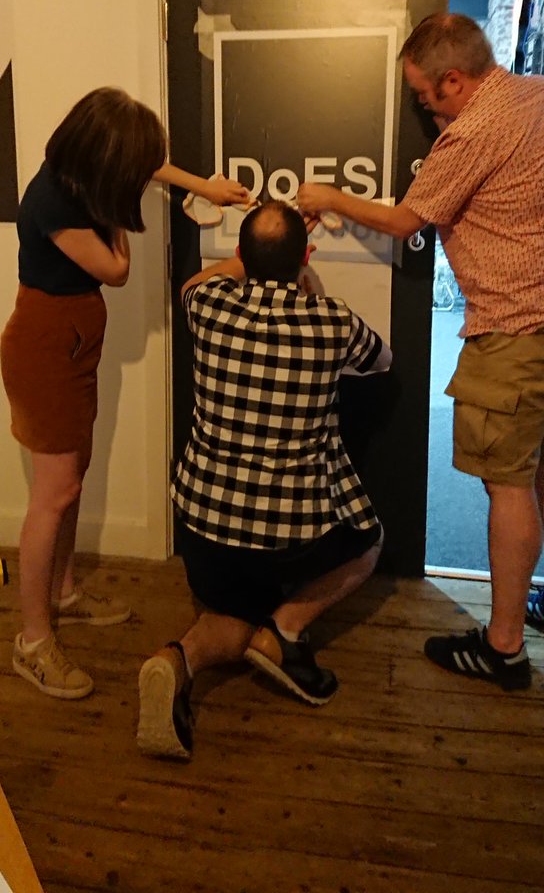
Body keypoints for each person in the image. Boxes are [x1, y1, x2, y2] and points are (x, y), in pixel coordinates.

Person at [298, 13, 544, 691]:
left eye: (424, 96)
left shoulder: (472, 134)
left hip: (516, 330)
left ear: (454, 80)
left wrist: (328, 196)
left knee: (507, 483)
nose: (423, 110)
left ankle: (503, 648)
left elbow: (405, 219)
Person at [0, 86, 248, 699]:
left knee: (72, 479)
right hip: (46, 345)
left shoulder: (78, 168)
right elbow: (116, 270)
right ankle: (32, 641)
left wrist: (205, 186)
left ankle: (64, 593)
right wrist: (118, 206)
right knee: (53, 496)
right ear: (103, 160)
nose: (139, 176)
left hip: (72, 339)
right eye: (128, 169)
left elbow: (147, 164)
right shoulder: (55, 202)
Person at [136, 200, 391, 759]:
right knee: (370, 542)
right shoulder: (332, 321)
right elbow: (382, 360)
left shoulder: (208, 305)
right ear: (305, 257)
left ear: (240, 256)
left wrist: (248, 261)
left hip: (201, 530)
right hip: (288, 543)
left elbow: (195, 283)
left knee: (230, 619)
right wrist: (307, 284)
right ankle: (285, 630)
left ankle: (177, 660)